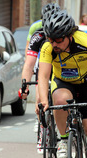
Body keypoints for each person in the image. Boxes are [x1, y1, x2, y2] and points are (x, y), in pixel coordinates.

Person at [37, 10, 87, 158]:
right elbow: (43, 75)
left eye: (59, 40)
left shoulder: (85, 43)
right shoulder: (48, 47)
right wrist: (43, 101)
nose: (54, 44)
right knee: (60, 100)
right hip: (64, 82)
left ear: (70, 35)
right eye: (50, 39)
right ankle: (64, 140)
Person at [18, 3, 60, 154]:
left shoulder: (64, 33)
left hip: (60, 67)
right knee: (40, 99)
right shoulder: (37, 33)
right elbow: (29, 64)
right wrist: (25, 85)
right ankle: (42, 126)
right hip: (42, 65)